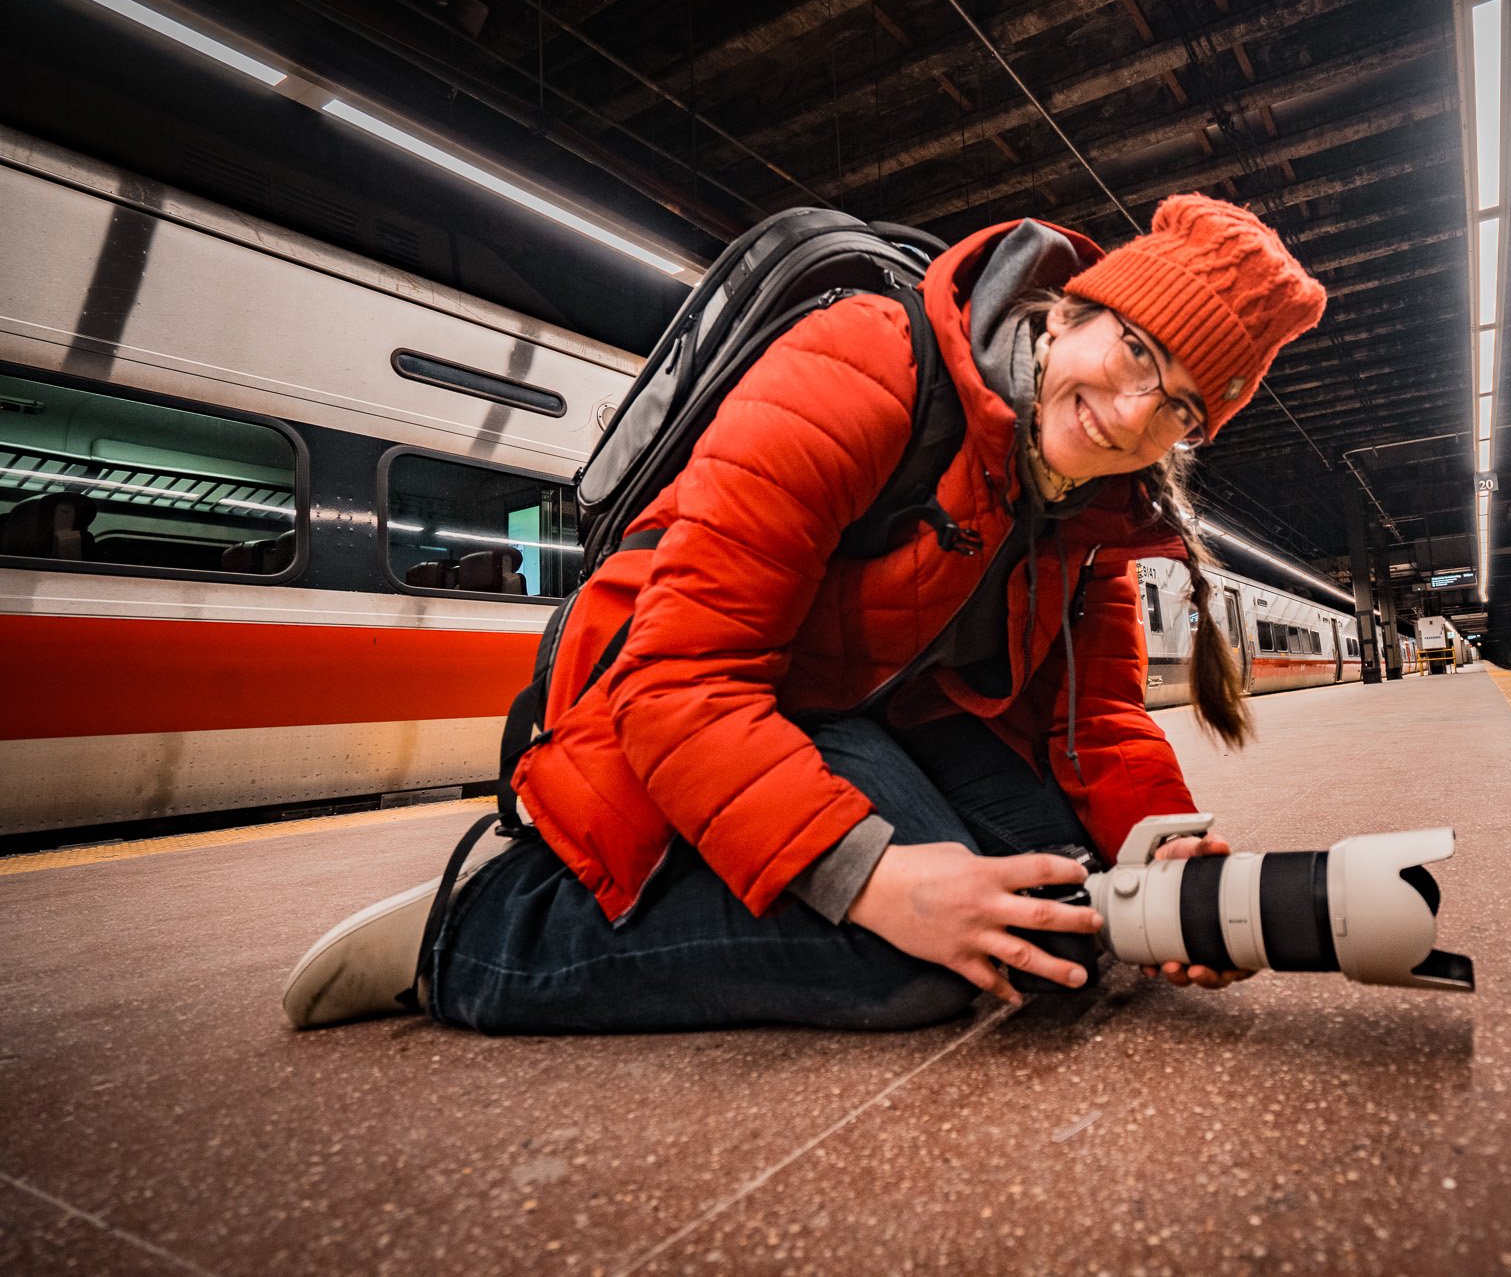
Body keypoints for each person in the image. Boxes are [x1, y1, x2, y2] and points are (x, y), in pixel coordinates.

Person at [284, 195, 1326, 1034]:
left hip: (857, 714)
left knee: (1063, 918)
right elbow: (675, 680)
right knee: (903, 962)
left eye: (1183, 407)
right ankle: (484, 937)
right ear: (1066, 316)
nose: (1136, 414)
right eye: (1139, 354)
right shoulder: (866, 365)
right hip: (685, 694)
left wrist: (1169, 848)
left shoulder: (1091, 510)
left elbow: (1093, 719)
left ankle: (804, 870)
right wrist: (875, 880)